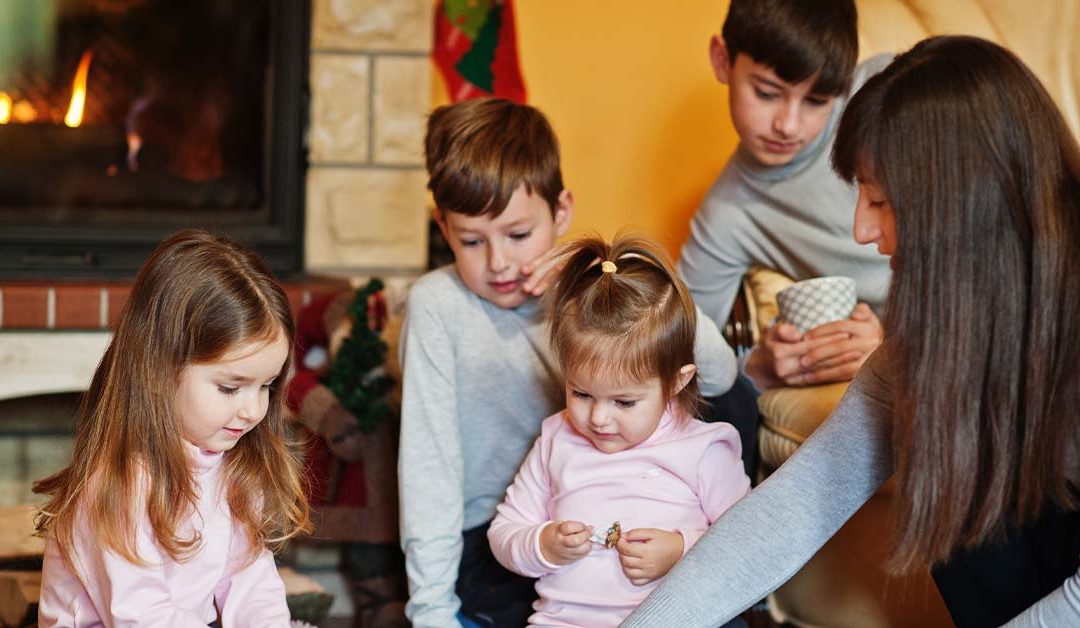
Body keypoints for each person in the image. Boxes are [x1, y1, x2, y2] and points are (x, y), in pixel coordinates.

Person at [624, 35, 1080, 627]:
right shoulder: (929, 349)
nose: (862, 230)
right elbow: (795, 507)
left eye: (882, 201)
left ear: (965, 207)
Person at [398, 98, 739, 627]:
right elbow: (429, 473)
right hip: (505, 533)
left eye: (518, 234)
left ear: (561, 212)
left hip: (628, 517)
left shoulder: (592, 288)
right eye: (471, 241)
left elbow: (721, 376)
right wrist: (430, 615)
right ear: (444, 229)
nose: (500, 262)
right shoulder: (438, 306)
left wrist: (591, 277)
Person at [34, 229, 312, 627]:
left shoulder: (230, 468)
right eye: (230, 387)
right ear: (161, 370)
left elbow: (250, 583)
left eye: (266, 386)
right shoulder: (119, 485)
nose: (253, 410)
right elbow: (141, 617)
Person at [487, 235, 750, 627]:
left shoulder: (703, 449)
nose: (598, 419)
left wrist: (680, 550)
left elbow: (748, 548)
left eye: (624, 402)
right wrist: (542, 544)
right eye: (581, 393)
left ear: (676, 382)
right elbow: (504, 532)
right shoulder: (557, 438)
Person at [679, 0, 890, 393]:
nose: (788, 125)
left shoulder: (888, 93)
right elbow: (673, 349)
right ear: (722, 60)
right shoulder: (728, 211)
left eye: (816, 102)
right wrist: (763, 366)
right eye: (767, 93)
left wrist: (895, 345)